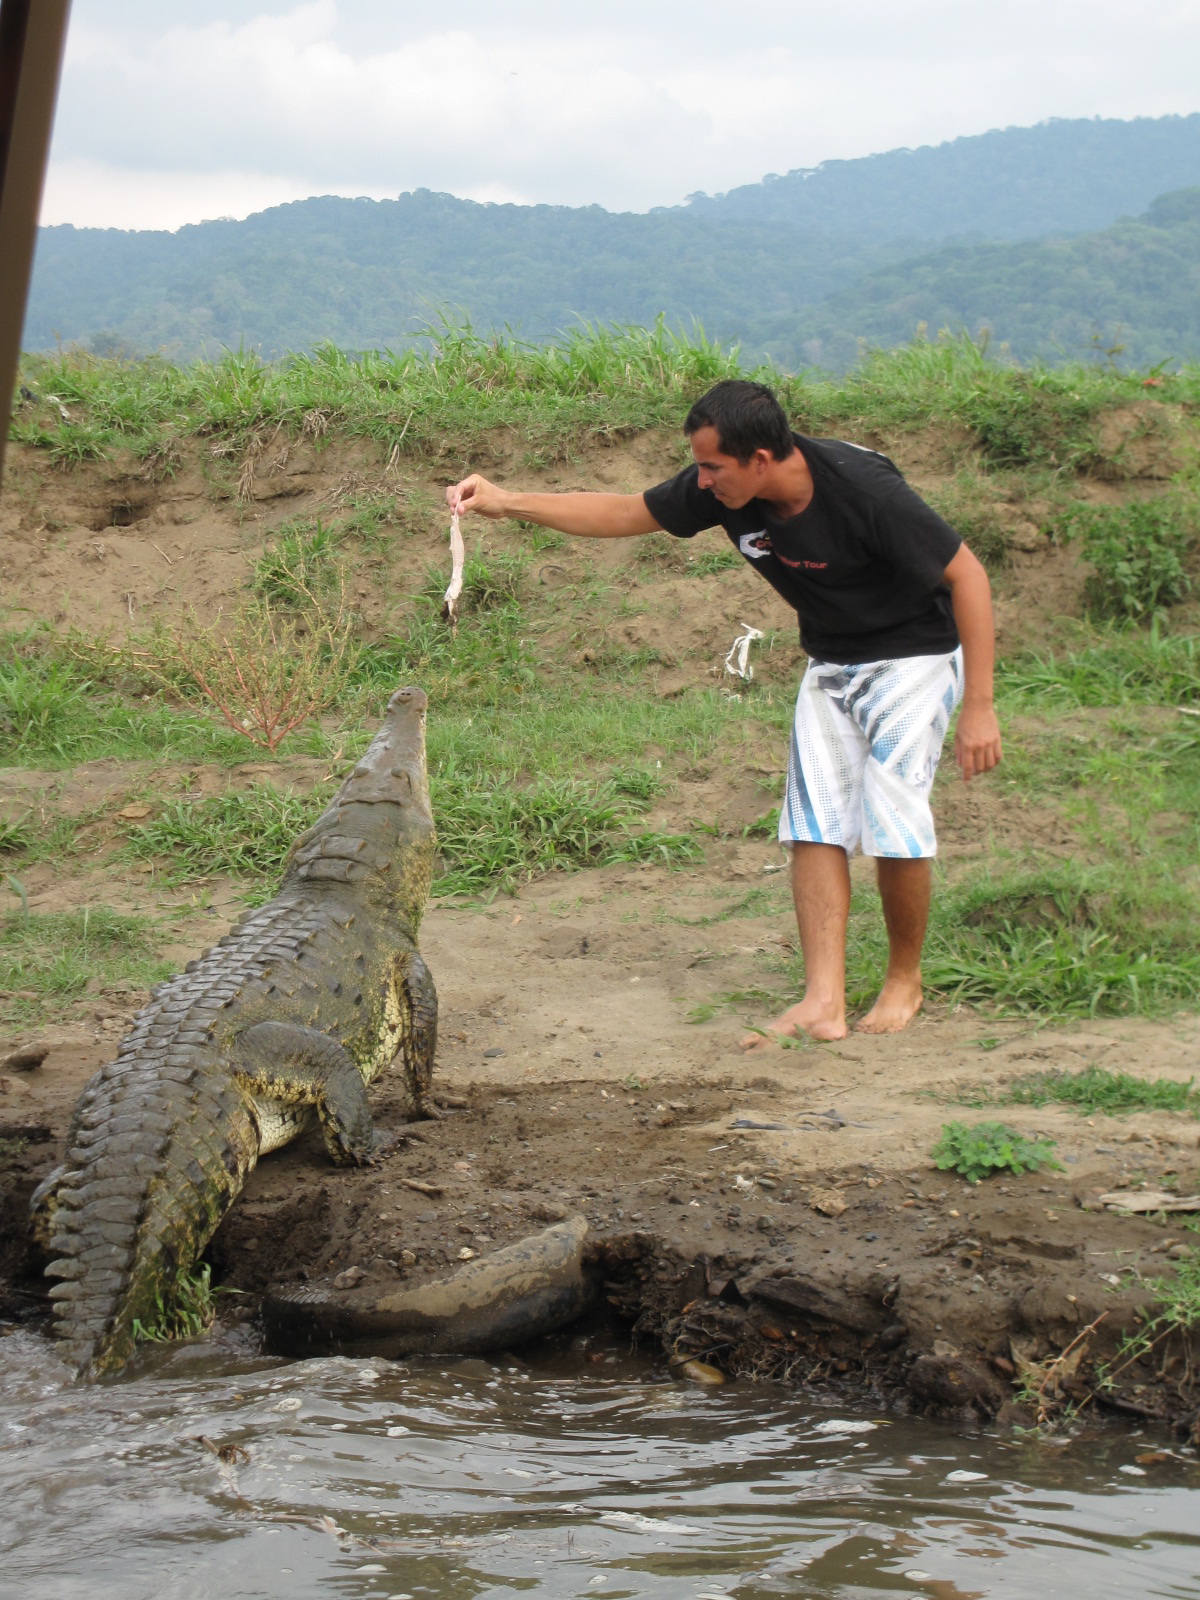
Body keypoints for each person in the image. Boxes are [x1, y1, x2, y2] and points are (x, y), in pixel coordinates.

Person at [446, 379, 1001, 1045]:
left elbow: (968, 575)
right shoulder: (722, 488)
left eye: (713, 467)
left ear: (761, 460)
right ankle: (823, 1001)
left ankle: (903, 979)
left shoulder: (863, 489)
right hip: (831, 657)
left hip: (915, 654)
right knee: (814, 822)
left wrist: (981, 706)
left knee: (893, 822)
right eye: (699, 465)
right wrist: (507, 503)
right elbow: (626, 513)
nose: (702, 481)